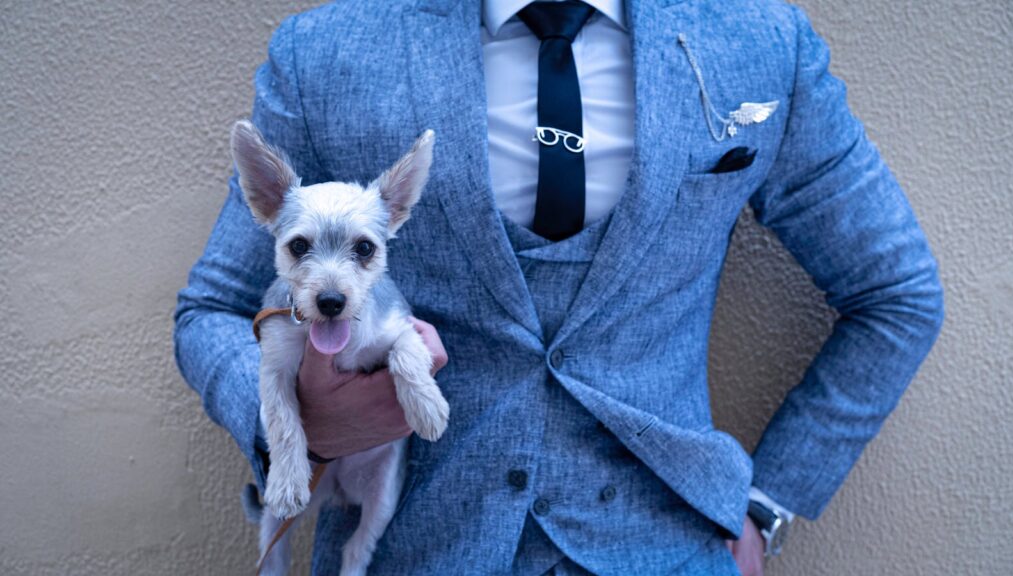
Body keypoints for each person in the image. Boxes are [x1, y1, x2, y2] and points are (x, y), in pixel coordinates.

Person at [173, 0, 944, 574]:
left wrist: (765, 510)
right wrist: (298, 430)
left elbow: (896, 293)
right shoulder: (327, 54)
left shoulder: (758, 41)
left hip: (668, 554)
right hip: (407, 549)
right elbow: (210, 308)